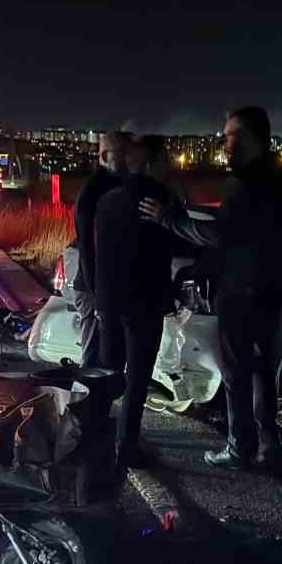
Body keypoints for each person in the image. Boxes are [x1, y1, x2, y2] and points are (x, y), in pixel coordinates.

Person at [141, 106, 282, 469]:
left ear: (249, 138)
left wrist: (168, 218)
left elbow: (221, 235)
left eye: (230, 136)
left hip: (241, 291)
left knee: (236, 372)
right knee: (261, 368)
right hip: (272, 287)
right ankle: (268, 443)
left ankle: (238, 447)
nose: (225, 143)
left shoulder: (245, 183)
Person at [92, 135, 180, 469]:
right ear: (151, 163)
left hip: (111, 301)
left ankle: (94, 435)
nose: (170, 165)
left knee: (109, 373)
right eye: (166, 159)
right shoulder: (161, 200)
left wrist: (101, 302)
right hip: (145, 301)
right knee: (138, 377)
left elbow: (100, 255)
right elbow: (178, 245)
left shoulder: (108, 200)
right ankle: (126, 445)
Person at [74, 131, 131, 366]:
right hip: (94, 289)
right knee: (92, 360)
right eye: (123, 153)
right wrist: (96, 294)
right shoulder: (94, 190)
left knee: (108, 358)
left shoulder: (118, 185)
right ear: (106, 156)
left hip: (104, 288)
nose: (128, 159)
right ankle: (83, 392)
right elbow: (87, 246)